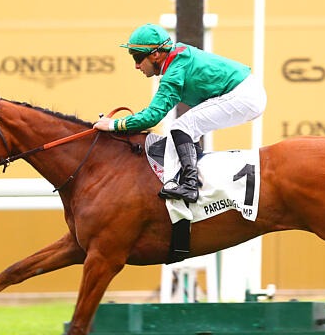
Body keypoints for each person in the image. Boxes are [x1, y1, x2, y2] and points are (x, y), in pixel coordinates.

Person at [94, 23, 267, 204]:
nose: (136, 66)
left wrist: (113, 124)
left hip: (244, 95)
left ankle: (190, 185)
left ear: (156, 55)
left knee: (181, 126)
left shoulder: (175, 72)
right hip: (246, 92)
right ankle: (194, 179)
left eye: (138, 57)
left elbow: (152, 117)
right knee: (186, 129)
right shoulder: (177, 58)